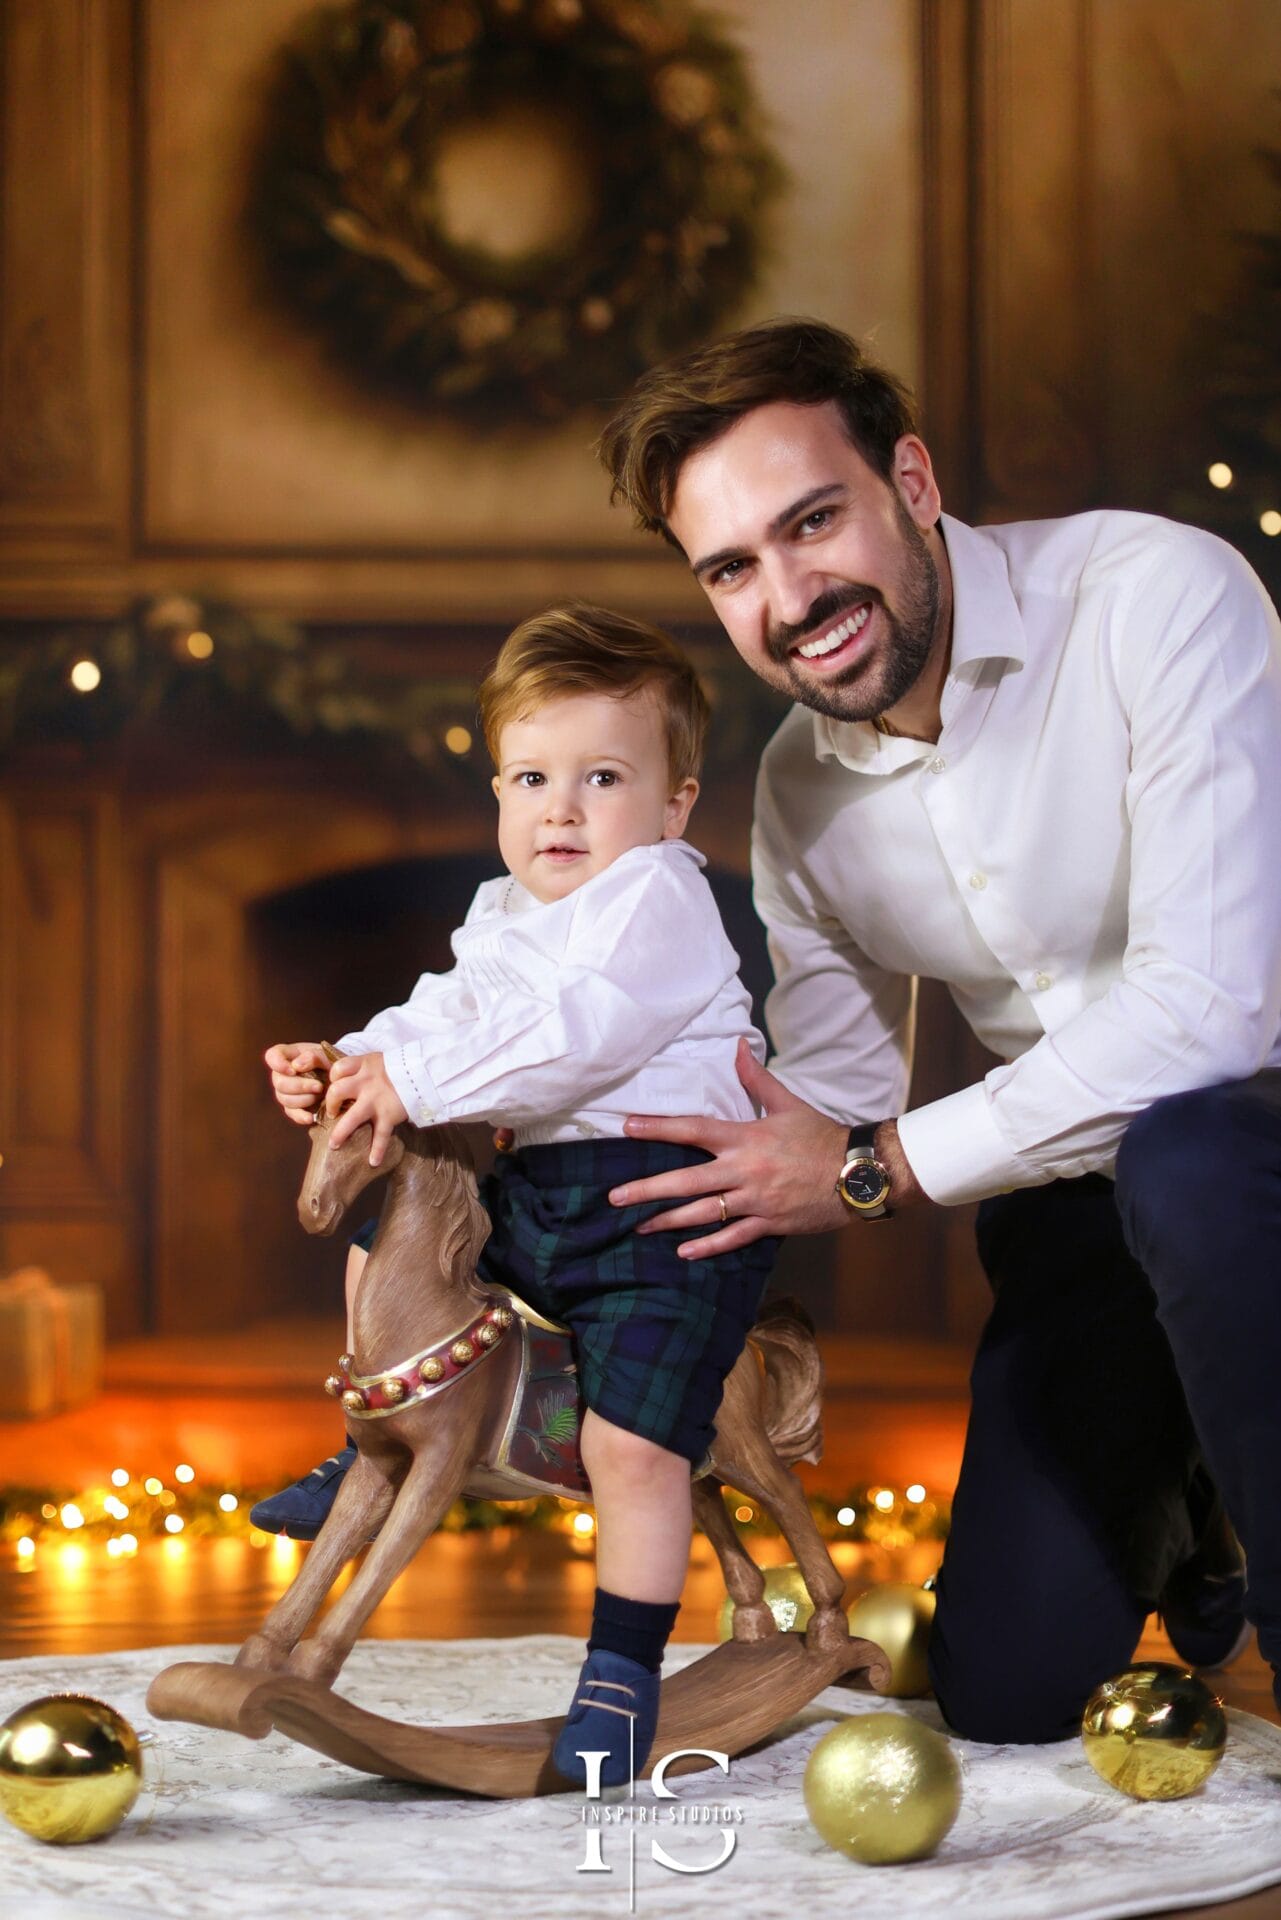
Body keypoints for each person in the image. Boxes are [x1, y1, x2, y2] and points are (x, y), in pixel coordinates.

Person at [593, 316, 1281, 1741]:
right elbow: (830, 1099)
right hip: (1080, 1210)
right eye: (732, 568)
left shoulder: (1155, 595)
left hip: (1254, 1145)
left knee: (1193, 1161)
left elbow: (1214, 1018)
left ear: (909, 479)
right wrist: (543, 1100)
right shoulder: (796, 792)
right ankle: (1206, 1509)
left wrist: (878, 1166)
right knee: (1003, 1697)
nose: (789, 596)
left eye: (813, 521)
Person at [257, 604, 778, 1784]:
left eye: (604, 777)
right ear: (497, 792)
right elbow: (438, 1015)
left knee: (628, 1447)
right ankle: (374, 1426)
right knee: (398, 1218)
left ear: (675, 805)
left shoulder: (659, 901)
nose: (564, 809)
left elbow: (570, 1040)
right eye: (533, 777)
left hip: (671, 1214)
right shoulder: (502, 915)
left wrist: (416, 1078)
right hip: (543, 1198)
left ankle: (621, 1673)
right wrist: (348, 1065)